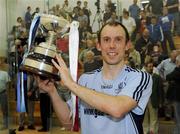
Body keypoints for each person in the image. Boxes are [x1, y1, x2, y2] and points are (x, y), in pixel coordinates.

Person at [37, 22, 152, 134]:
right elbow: (69, 122)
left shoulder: (140, 77)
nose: (112, 45)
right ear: (99, 45)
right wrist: (52, 91)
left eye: (118, 39)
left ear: (127, 45)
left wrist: (71, 84)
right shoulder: (85, 80)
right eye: (106, 40)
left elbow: (117, 109)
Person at [142, 59, 163, 134]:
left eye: (152, 66)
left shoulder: (157, 77)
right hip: (143, 101)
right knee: (144, 118)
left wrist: (161, 101)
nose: (151, 68)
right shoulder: (142, 76)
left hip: (153, 99)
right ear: (145, 67)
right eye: (149, 66)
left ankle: (154, 132)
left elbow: (160, 90)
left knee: (154, 118)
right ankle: (145, 131)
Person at [166, 55, 180, 134]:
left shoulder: (177, 70)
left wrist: (177, 67)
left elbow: (168, 76)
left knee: (178, 117)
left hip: (177, 97)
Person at [0, 58, 10, 130]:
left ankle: (5, 124)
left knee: (4, 110)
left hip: (3, 93)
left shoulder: (4, 73)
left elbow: (8, 84)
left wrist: (6, 92)